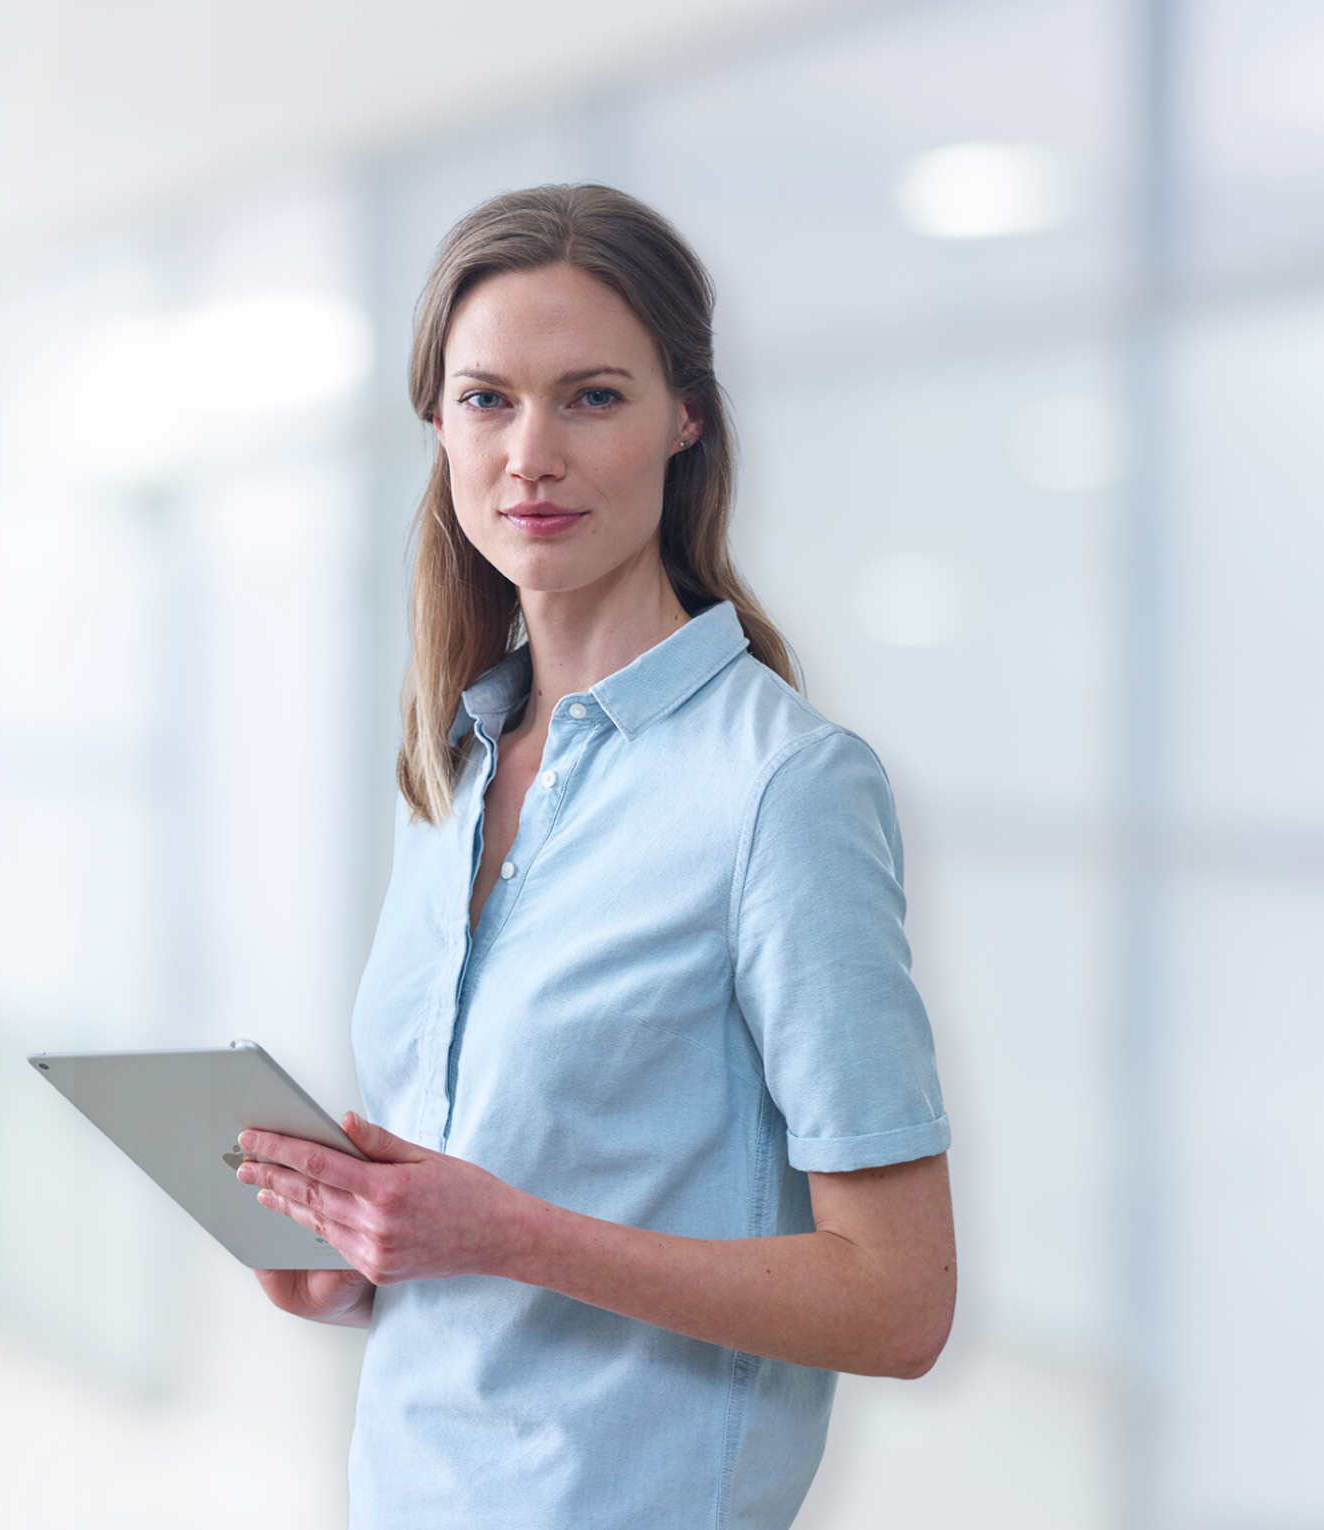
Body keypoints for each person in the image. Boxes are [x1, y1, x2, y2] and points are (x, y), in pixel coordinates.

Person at [231, 185, 956, 1529]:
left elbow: (901, 1300)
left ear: (686, 417)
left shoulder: (782, 789)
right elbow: (482, 1191)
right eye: (488, 400)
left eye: (594, 398)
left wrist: (505, 1231)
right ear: (439, 426)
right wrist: (359, 1259)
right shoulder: (449, 771)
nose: (530, 455)